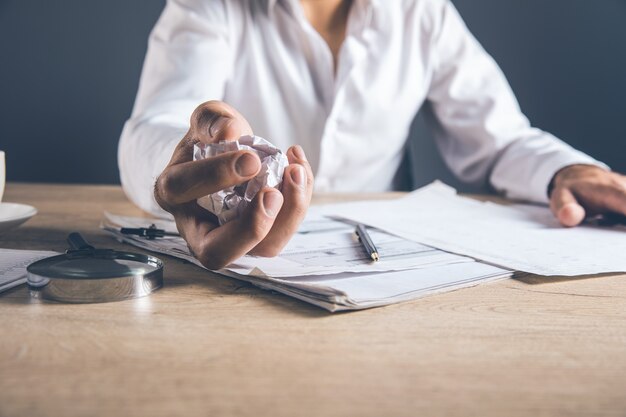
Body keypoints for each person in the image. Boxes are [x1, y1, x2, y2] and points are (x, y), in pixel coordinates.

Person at [119, 0, 626, 270]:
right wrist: (178, 170)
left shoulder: (422, 11)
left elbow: (501, 138)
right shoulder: (211, 5)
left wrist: (566, 170)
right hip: (241, 289)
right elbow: (155, 125)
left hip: (383, 272)